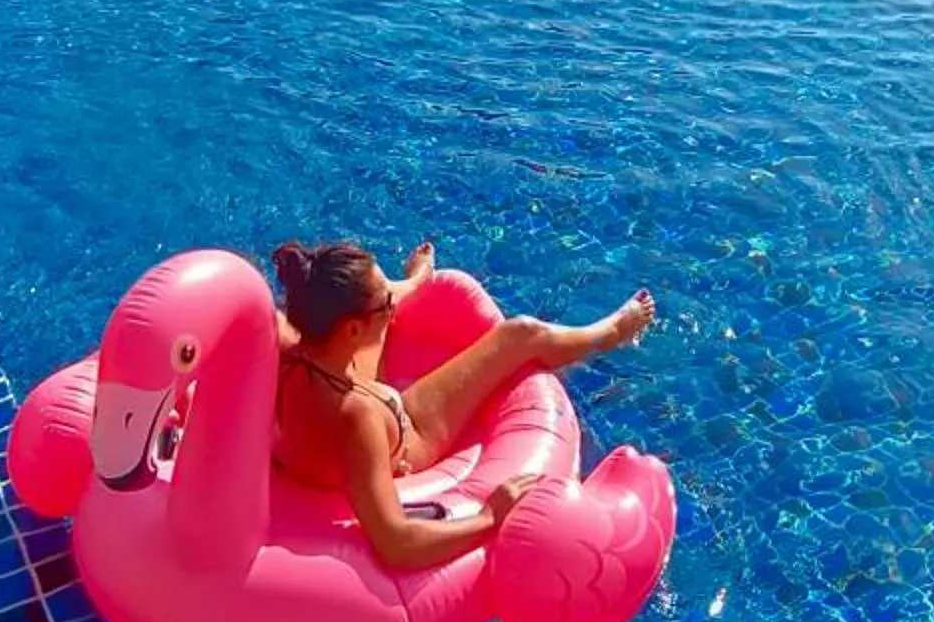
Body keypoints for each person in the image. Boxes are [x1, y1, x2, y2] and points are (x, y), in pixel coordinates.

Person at [271, 239, 654, 570]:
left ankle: (414, 280)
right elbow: (396, 543)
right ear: (351, 329)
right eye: (387, 299)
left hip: (332, 383)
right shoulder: (355, 418)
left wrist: (407, 289)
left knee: (379, 324)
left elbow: (362, 323)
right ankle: (610, 333)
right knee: (520, 334)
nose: (392, 306)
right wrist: (490, 517)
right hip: (408, 435)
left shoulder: (287, 345)